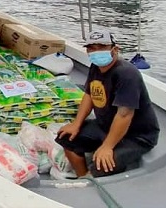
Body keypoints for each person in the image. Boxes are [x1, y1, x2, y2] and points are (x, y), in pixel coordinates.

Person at [56, 30, 160, 178]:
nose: (96, 52)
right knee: (66, 139)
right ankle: (83, 177)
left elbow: (125, 114)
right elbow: (89, 95)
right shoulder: (95, 67)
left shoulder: (127, 74)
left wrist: (107, 146)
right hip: (105, 125)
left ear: (115, 49)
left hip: (136, 135)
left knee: (101, 165)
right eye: (91, 48)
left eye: (101, 47)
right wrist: (76, 124)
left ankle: (93, 179)